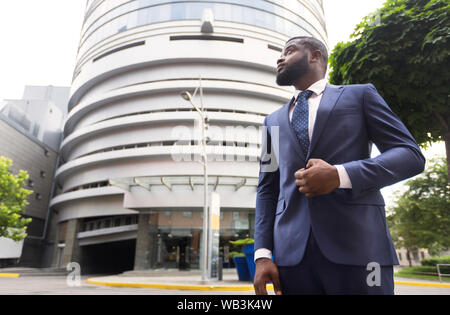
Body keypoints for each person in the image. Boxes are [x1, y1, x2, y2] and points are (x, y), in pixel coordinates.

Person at [253, 36, 425, 295]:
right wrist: (263, 254)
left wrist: (341, 175)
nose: (280, 58)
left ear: (315, 55)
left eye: (288, 51)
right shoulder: (271, 123)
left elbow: (410, 155)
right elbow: (267, 189)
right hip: (291, 260)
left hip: (362, 251)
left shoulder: (361, 95)